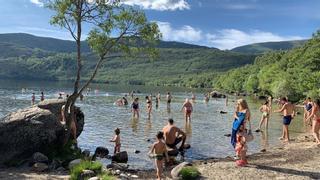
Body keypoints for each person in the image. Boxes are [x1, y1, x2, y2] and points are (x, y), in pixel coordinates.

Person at [231, 99, 251, 166]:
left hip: (242, 130)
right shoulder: (239, 110)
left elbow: (245, 119)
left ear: (242, 104)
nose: (237, 105)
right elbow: (235, 116)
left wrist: (240, 118)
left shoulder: (246, 110)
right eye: (237, 104)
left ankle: (242, 160)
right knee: (239, 144)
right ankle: (243, 159)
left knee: (242, 145)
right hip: (238, 130)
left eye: (238, 104)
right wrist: (237, 112)